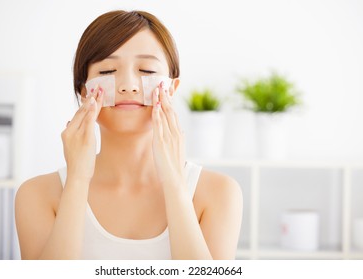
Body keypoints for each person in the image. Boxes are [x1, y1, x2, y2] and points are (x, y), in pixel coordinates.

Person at [15, 10, 242, 260]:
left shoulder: (219, 194)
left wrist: (175, 183)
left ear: (172, 88)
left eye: (146, 70)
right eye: (107, 71)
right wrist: (77, 179)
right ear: (84, 91)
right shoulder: (37, 195)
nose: (128, 84)